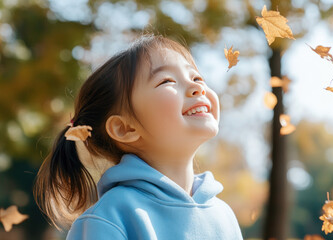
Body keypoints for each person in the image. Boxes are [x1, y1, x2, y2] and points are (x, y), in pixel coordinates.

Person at [34, 34, 243, 239]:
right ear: (125, 128)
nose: (197, 87)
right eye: (167, 81)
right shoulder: (110, 218)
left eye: (197, 77)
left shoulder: (223, 215)